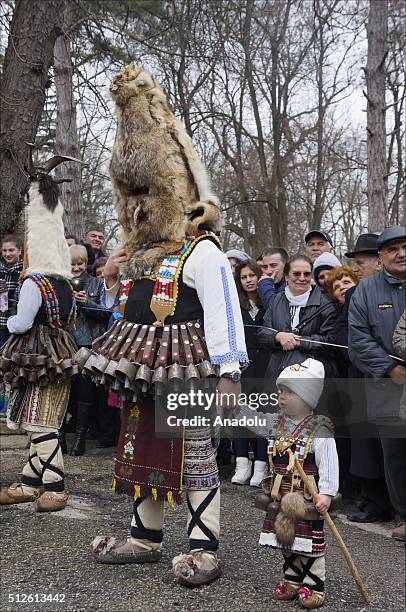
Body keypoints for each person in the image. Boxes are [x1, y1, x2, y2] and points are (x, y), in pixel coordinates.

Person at [84, 64, 248, 586]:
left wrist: (229, 373)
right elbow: (125, 311)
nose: (136, 212)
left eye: (147, 201)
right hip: (143, 371)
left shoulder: (203, 251)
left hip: (191, 374)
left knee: (195, 454)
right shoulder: (140, 259)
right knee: (140, 445)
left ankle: (204, 545)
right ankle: (144, 538)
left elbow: (225, 310)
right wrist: (112, 273)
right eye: (131, 203)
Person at [0, 160, 78, 512]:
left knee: (39, 421)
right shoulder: (66, 283)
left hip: (35, 355)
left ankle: (56, 486)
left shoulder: (35, 281)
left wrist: (12, 320)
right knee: (42, 416)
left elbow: (20, 322)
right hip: (62, 350)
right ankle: (31, 482)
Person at [231, 358, 339, 609]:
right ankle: (291, 580)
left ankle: (313, 585)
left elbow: (329, 464)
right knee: (286, 538)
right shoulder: (276, 423)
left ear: (307, 396)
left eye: (289, 392)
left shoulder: (319, 430)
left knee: (310, 543)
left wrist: (327, 493)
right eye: (281, 391)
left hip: (307, 497)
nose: (282, 396)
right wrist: (237, 407)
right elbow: (254, 419)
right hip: (281, 496)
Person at [348, 225, 406, 541]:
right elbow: (357, 340)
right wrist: (389, 369)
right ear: (381, 257)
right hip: (387, 387)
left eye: (405, 246)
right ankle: (404, 515)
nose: (401, 253)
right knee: (395, 456)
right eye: (393, 248)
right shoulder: (366, 291)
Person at [334, 233, 391, 524]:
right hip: (361, 373)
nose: (356, 269)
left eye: (361, 263)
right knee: (366, 445)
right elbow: (344, 334)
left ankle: (381, 501)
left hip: (382, 375)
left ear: (378, 263)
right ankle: (373, 500)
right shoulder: (359, 293)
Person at [67, 245, 116, 455]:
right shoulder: (61, 283)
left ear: (86, 263)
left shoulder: (97, 283)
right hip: (65, 344)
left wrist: (86, 302)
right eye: (73, 264)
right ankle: (61, 439)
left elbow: (107, 313)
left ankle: (80, 439)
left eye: (80, 264)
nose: (77, 268)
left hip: (89, 345)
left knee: (85, 394)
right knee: (66, 393)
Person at [260, 255, 338, 380]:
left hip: (312, 376)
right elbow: (263, 333)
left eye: (306, 274)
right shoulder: (276, 300)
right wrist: (278, 336)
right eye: (296, 274)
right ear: (286, 276)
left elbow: (331, 341)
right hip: (277, 373)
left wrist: (299, 342)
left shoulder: (325, 303)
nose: (302, 278)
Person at [232, 260, 268, 486]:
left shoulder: (269, 303)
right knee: (242, 415)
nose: (249, 280)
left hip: (266, 366)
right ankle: (242, 463)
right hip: (243, 366)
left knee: (264, 415)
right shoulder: (237, 304)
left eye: (252, 275)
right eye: (244, 277)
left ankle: (261, 465)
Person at [0, 234, 23, 345]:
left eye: (11, 250)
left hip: (16, 323)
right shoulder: (1, 270)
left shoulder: (25, 271)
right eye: (4, 250)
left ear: (19, 251)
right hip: (1, 320)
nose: (7, 254)